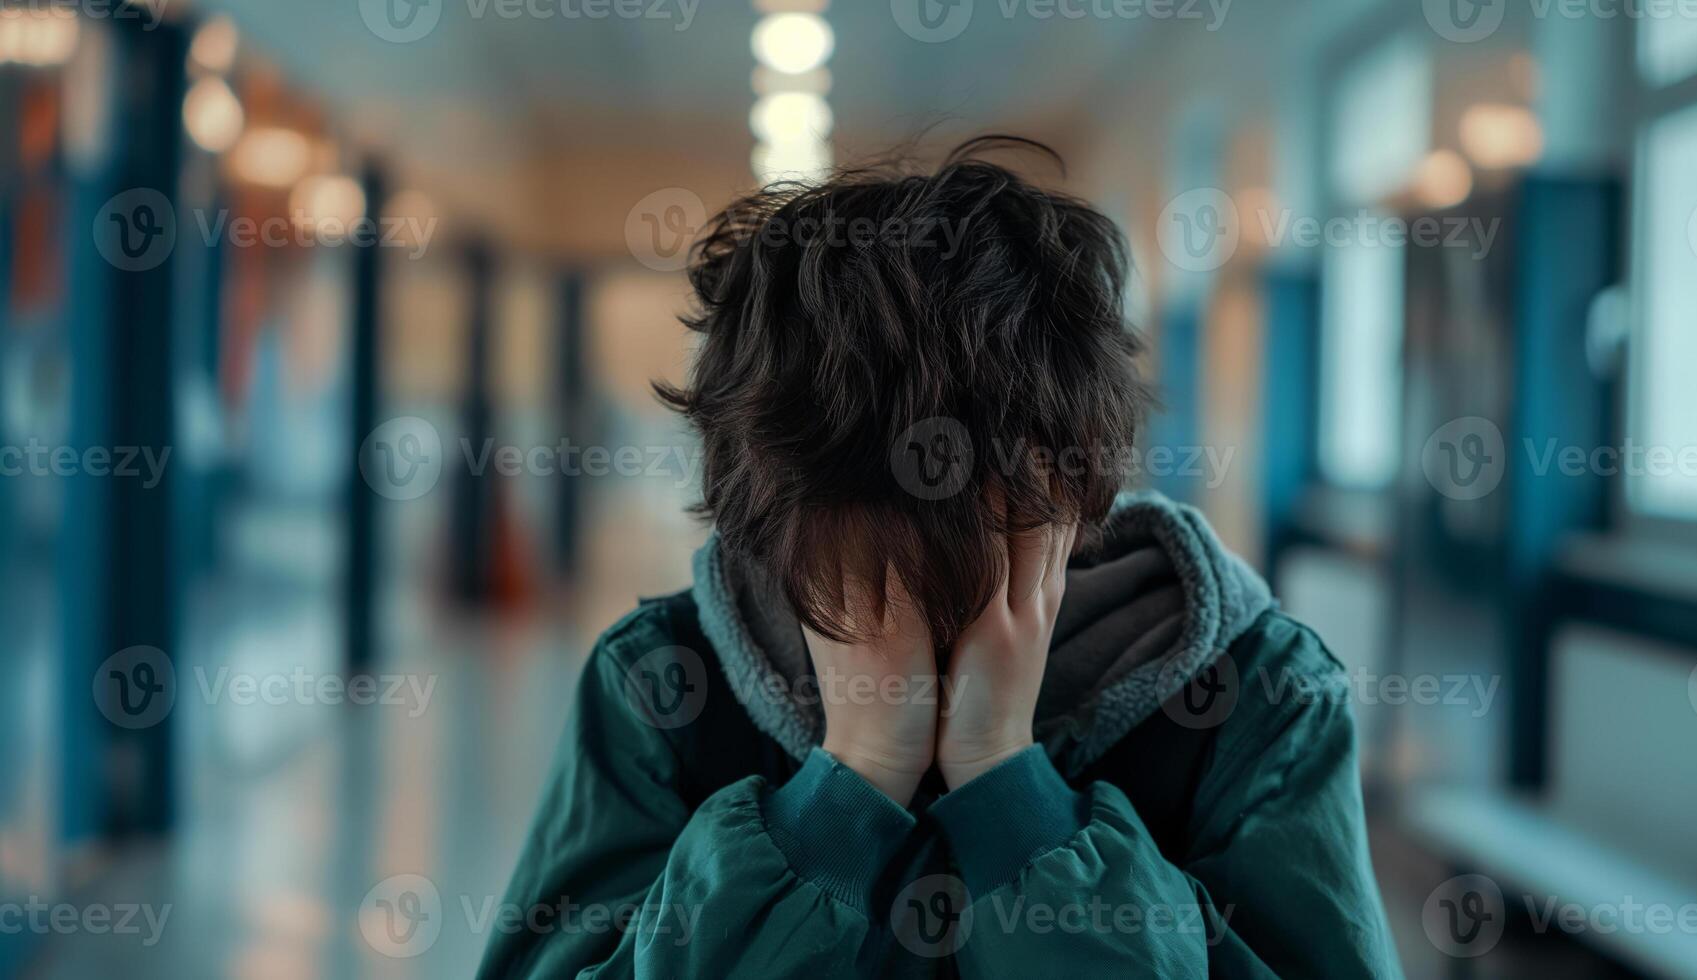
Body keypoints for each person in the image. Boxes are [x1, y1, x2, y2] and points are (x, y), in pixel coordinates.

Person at [478, 137, 1401, 978]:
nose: (919, 575)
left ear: (1076, 484)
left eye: (977, 507)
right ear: (760, 506)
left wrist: (1009, 786)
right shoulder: (659, 680)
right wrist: (853, 781)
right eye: (861, 524)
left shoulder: (1259, 685)